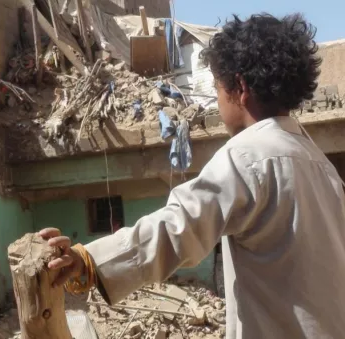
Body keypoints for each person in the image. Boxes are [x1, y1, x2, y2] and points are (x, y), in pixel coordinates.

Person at [39, 13, 345, 339]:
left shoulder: (247, 155)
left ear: (239, 88)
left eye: (216, 88)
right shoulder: (321, 166)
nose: (217, 100)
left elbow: (179, 227)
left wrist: (87, 261)